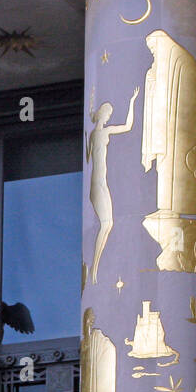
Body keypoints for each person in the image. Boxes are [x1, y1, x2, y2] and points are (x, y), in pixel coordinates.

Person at [85, 85, 138, 284]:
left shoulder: (93, 135)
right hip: (97, 184)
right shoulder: (102, 133)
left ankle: (94, 270)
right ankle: (94, 271)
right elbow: (127, 126)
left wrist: (132, 102)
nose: (108, 117)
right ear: (103, 115)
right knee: (107, 224)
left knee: (108, 224)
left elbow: (88, 156)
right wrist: (132, 102)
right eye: (108, 113)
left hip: (99, 184)